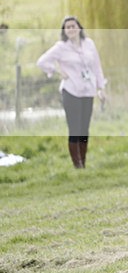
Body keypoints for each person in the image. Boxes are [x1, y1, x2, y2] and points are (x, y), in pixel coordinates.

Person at [37, 16, 106, 168]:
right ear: (64, 31)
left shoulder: (89, 44)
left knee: (84, 129)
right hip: (71, 91)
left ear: (79, 28)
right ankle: (77, 165)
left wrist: (101, 88)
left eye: (73, 26)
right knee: (74, 128)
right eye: (67, 27)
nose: (71, 29)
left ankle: (84, 161)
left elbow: (97, 67)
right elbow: (42, 62)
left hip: (88, 91)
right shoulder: (61, 47)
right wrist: (57, 71)